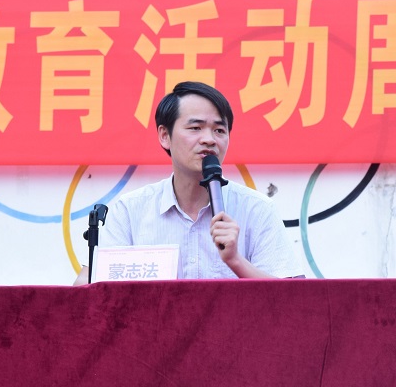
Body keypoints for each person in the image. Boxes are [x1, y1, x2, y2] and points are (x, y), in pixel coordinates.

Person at [76, 81, 304, 284]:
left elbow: (291, 300)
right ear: (165, 136)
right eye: (195, 128)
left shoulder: (256, 209)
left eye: (219, 130)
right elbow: (87, 291)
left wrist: (235, 260)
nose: (209, 140)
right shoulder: (130, 211)